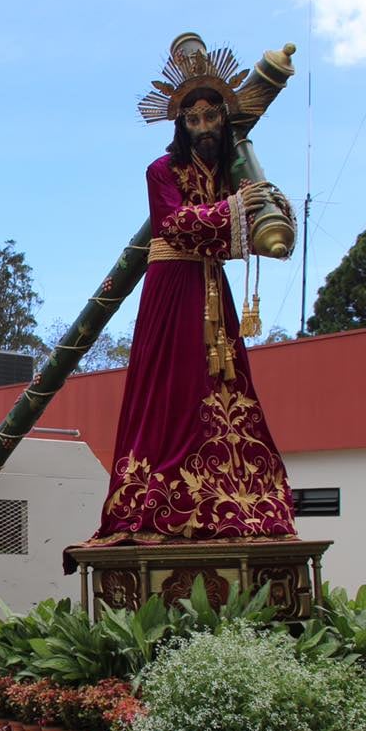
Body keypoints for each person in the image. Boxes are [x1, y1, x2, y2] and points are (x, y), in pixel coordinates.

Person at [83, 50, 296, 550]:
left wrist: (266, 206)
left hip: (211, 288)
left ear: (224, 119)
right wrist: (235, 208)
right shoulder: (161, 171)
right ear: (180, 123)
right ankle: (157, 501)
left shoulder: (229, 175)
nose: (204, 125)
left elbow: (240, 229)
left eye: (212, 115)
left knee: (223, 388)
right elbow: (174, 225)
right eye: (194, 117)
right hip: (172, 289)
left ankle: (236, 497)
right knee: (172, 386)